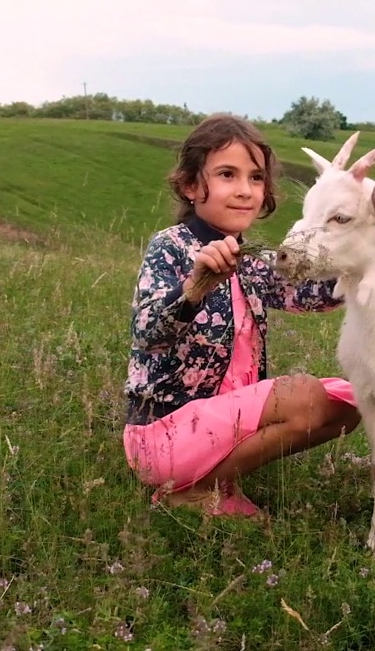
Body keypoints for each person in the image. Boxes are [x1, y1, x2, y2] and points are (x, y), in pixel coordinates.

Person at [121, 113, 361, 517]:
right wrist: (195, 287)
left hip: (224, 424)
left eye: (255, 178)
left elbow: (312, 295)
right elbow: (148, 334)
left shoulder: (253, 258)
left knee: (350, 401)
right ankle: (195, 491)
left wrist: (367, 258)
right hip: (162, 433)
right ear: (191, 186)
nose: (245, 190)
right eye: (227, 175)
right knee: (303, 395)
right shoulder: (171, 247)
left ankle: (215, 479)